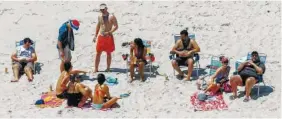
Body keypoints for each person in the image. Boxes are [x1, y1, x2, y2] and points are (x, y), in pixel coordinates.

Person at [93, 3, 118, 73]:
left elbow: (116, 26)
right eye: (101, 9)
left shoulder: (111, 16)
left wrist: (110, 32)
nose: (102, 10)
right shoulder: (100, 16)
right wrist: (95, 35)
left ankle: (108, 68)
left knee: (108, 53)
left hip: (108, 37)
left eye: (103, 9)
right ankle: (96, 69)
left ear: (106, 8)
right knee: (98, 53)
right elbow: (98, 26)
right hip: (101, 36)